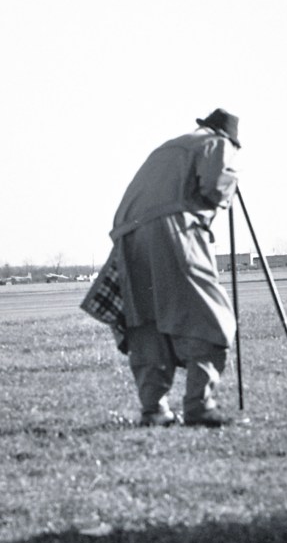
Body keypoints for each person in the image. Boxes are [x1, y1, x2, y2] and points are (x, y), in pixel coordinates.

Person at [81, 109, 241, 427]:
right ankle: (200, 406)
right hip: (173, 231)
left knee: (146, 320)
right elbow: (216, 188)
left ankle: (153, 409)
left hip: (128, 236)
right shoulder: (217, 143)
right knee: (211, 316)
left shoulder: (171, 146)